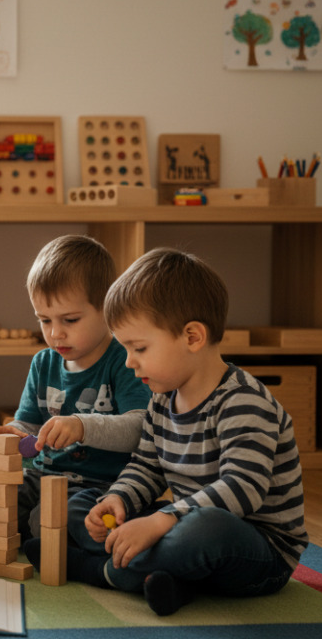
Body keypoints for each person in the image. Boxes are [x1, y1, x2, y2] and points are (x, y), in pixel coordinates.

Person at [67, 248, 308, 616]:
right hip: (184, 522)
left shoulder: (244, 401)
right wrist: (119, 500)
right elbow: (147, 468)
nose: (129, 361)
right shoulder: (162, 399)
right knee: (82, 503)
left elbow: (243, 490)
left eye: (139, 348)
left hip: (255, 550)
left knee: (205, 530)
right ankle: (167, 578)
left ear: (193, 337)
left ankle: (100, 570)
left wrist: (161, 521)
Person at [0, 235, 150, 547]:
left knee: (47, 522)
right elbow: (30, 424)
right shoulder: (44, 363)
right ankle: (49, 537)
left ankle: (74, 536)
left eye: (70, 320)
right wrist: (14, 432)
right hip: (43, 476)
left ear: (107, 308)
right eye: (44, 320)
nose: (55, 332)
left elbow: (140, 428)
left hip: (100, 485)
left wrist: (81, 426)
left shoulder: (123, 359)